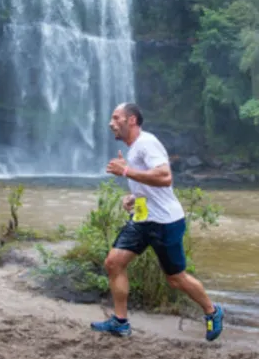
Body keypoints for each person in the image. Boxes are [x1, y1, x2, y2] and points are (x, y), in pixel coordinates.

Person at [90, 102, 225, 341]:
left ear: (131, 120)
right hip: (143, 218)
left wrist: (126, 172)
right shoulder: (134, 148)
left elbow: (165, 177)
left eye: (116, 118)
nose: (111, 123)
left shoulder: (147, 143)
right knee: (113, 263)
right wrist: (134, 197)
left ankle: (212, 311)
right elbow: (150, 183)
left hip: (165, 222)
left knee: (175, 278)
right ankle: (120, 322)